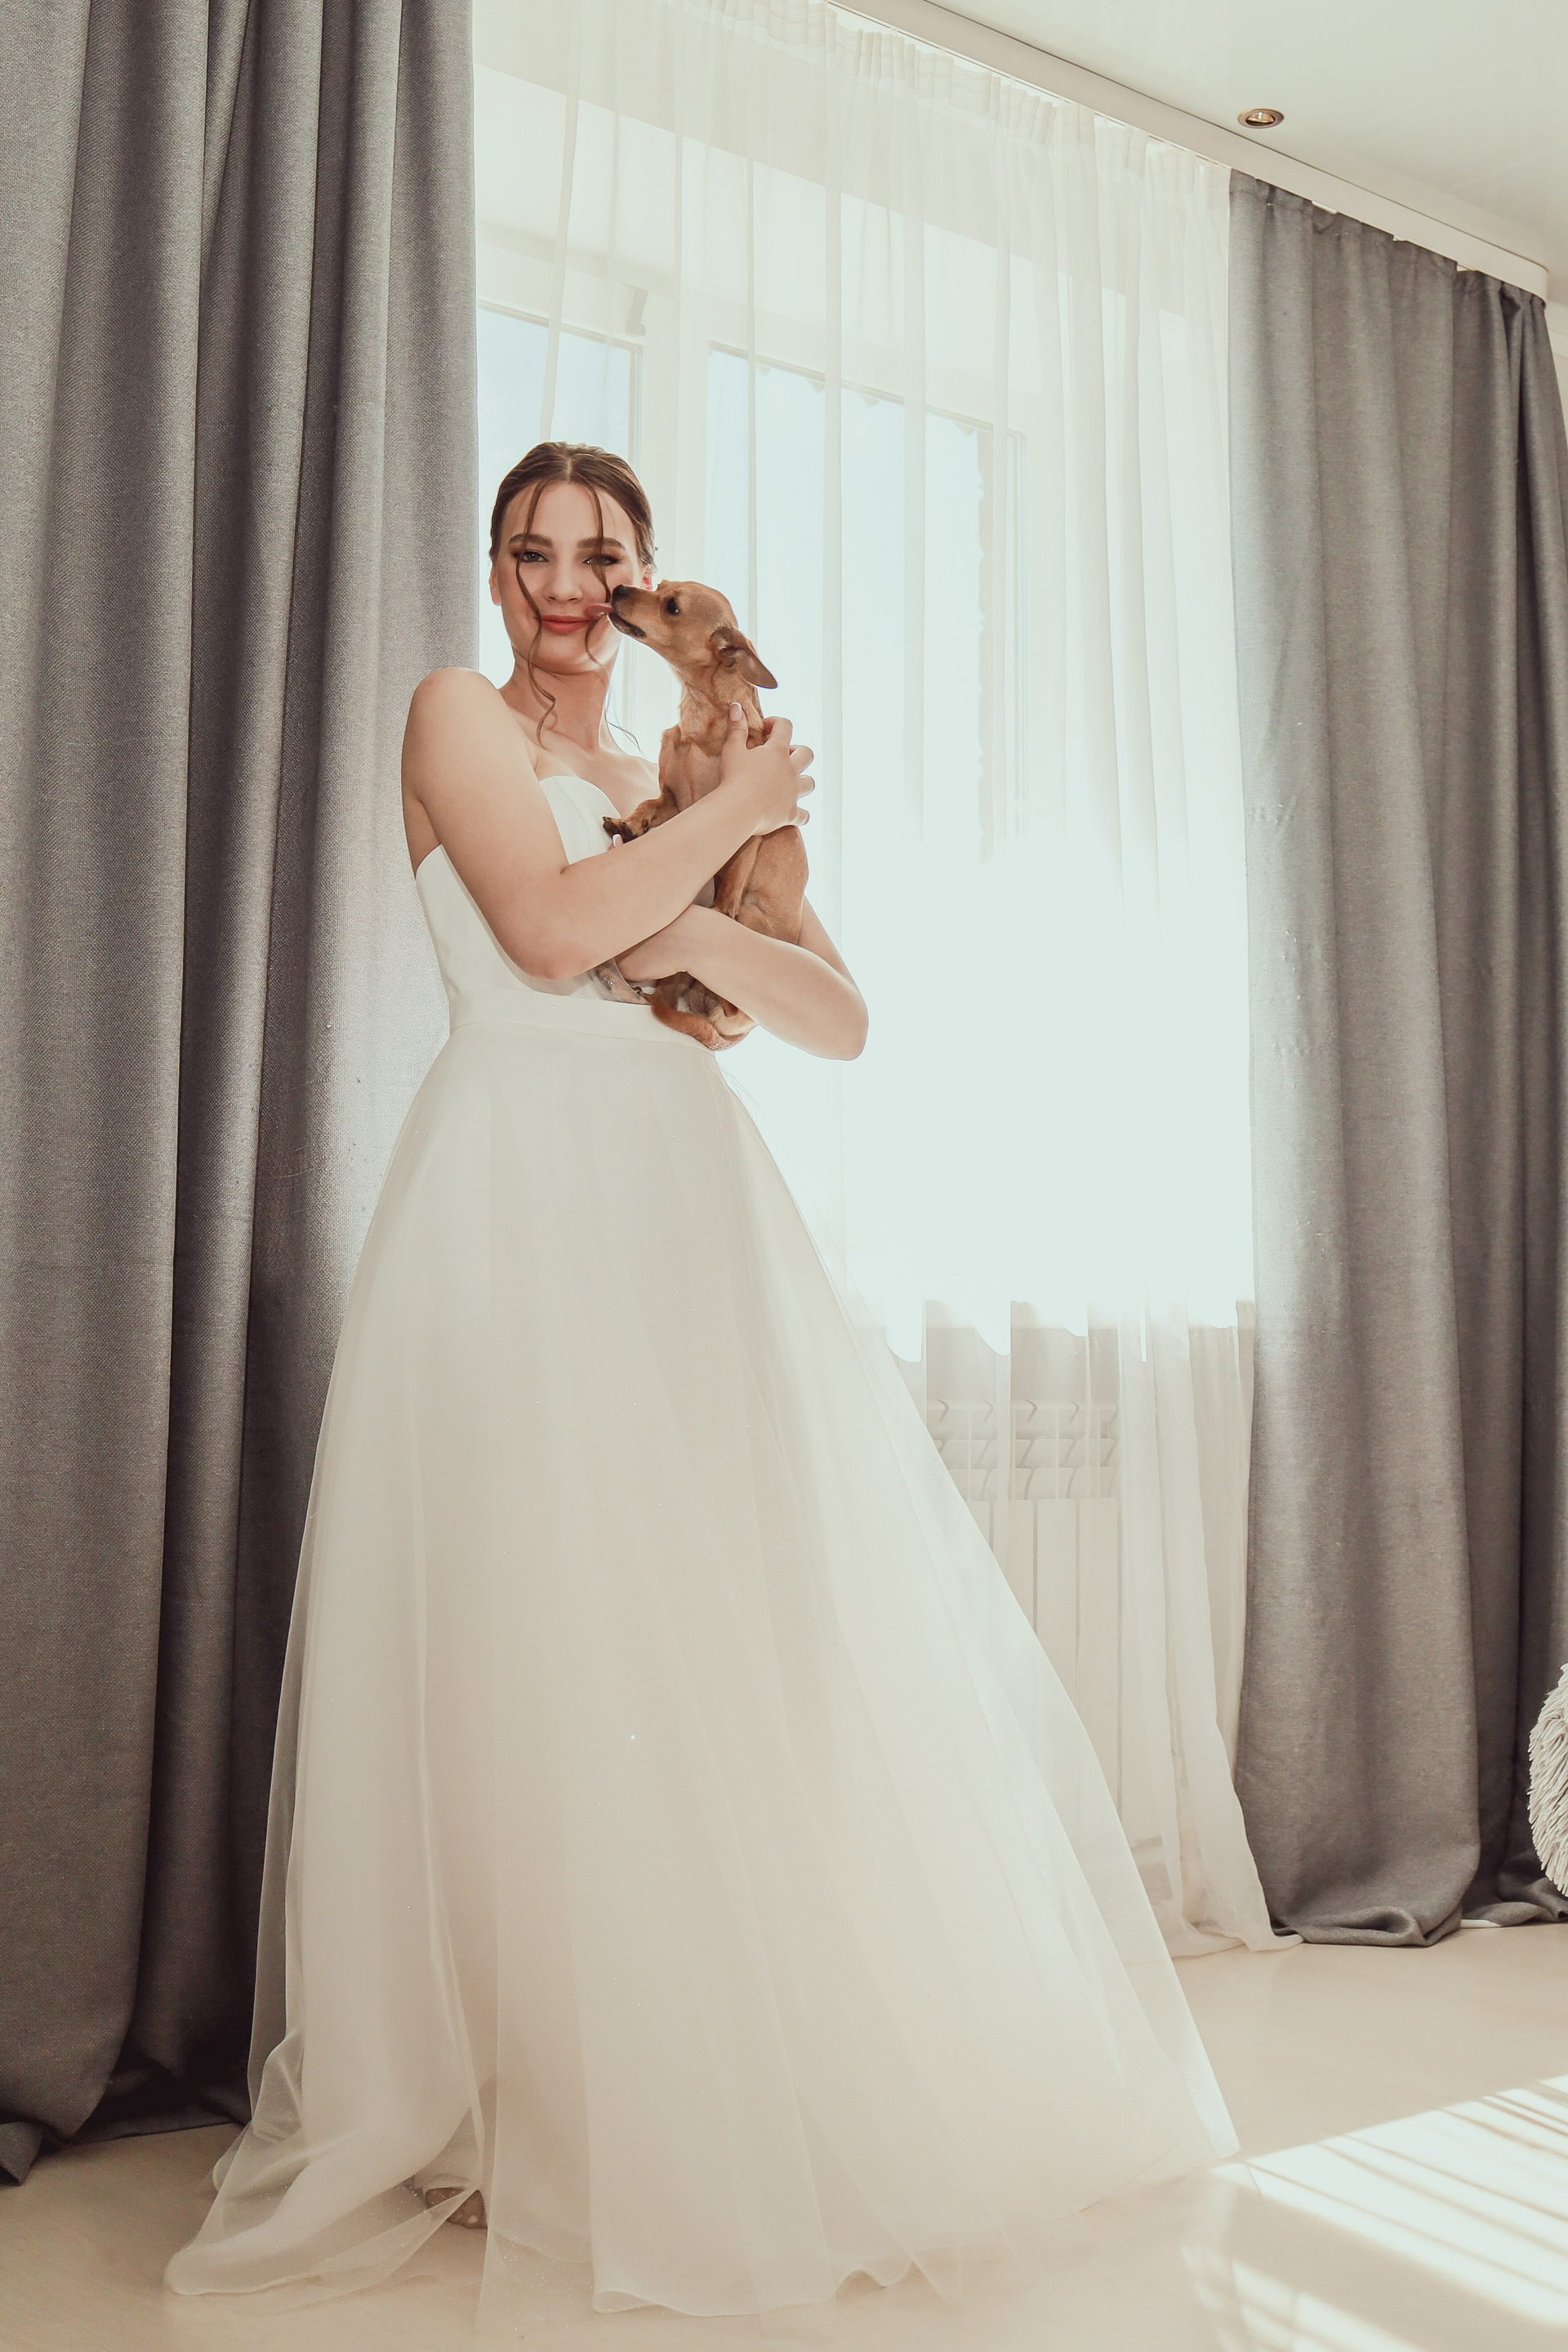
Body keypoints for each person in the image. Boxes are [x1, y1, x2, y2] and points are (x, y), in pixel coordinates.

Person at [166, 442, 1236, 2326]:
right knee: (535, 1640)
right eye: (534, 553)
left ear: (650, 579)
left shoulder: (669, 788)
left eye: (605, 554)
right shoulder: (457, 719)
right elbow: (545, 933)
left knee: (716, 1640)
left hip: (692, 1224)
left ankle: (694, 2081)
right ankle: (517, 2095)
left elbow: (837, 1020)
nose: (569, 585)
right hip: (516, 1200)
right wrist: (717, 832)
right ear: (496, 576)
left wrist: (693, 890)